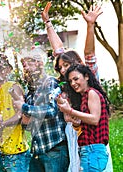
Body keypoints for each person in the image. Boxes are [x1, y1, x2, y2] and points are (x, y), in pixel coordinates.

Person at [41, 2, 113, 171]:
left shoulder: (88, 78)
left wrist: (90, 25)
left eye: (67, 65)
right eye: (61, 67)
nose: (64, 69)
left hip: (94, 138)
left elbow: (89, 54)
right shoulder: (67, 86)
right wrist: (48, 23)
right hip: (75, 136)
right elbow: (59, 51)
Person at [12, 48, 69, 172]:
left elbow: (51, 110)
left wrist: (24, 107)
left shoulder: (50, 83)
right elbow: (29, 124)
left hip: (54, 148)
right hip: (38, 149)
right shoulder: (29, 92)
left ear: (39, 63)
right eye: (23, 64)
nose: (25, 67)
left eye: (28, 63)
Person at [57, 64, 110, 171]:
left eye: (76, 79)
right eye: (70, 81)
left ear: (86, 76)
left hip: (93, 150)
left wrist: (70, 111)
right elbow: (88, 123)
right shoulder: (84, 97)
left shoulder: (91, 93)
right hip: (88, 149)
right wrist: (75, 122)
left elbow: (95, 119)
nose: (73, 83)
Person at [0, 53, 30, 172]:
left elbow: (21, 114)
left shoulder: (13, 87)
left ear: (8, 69)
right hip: (0, 150)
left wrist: (3, 124)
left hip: (16, 151)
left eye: (1, 68)